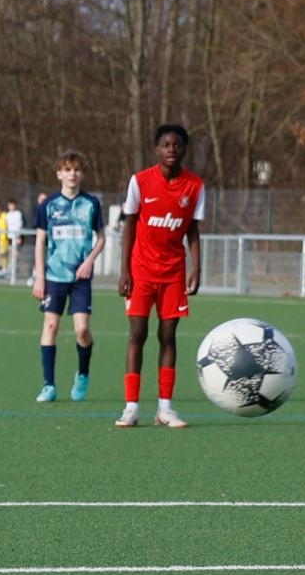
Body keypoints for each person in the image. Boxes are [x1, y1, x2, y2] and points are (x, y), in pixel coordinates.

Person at [117, 124, 205, 427]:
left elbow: (193, 229)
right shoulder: (140, 181)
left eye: (177, 145)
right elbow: (130, 225)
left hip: (173, 272)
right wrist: (124, 270)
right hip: (141, 270)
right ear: (157, 149)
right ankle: (131, 407)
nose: (171, 149)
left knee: (168, 335)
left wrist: (197, 267)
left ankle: (164, 408)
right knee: (137, 334)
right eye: (166, 145)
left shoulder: (195, 186)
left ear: (184, 149)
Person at [31, 150, 105, 403]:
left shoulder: (91, 204)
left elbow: (101, 238)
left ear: (82, 174)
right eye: (67, 169)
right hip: (54, 276)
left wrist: (89, 261)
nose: (72, 174)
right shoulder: (48, 205)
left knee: (82, 331)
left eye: (77, 170)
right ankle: (49, 385)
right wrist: (39, 277)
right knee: (50, 326)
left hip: (80, 279)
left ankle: (83, 373)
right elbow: (40, 242)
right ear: (59, 174)